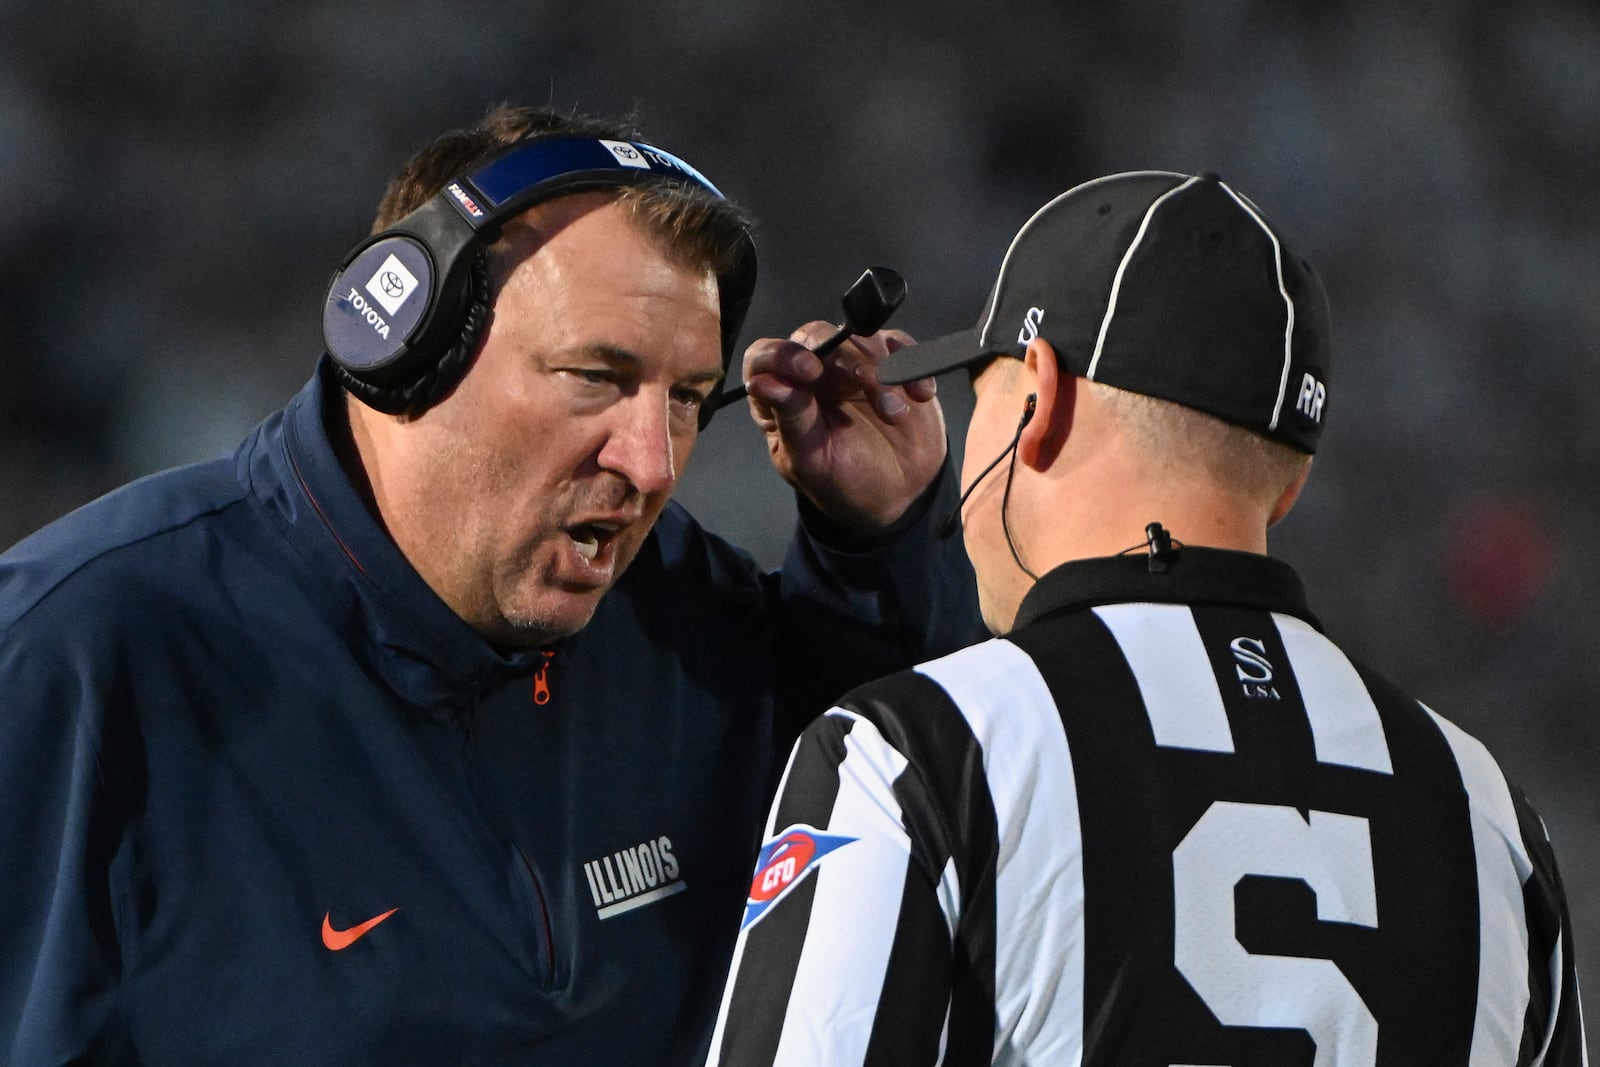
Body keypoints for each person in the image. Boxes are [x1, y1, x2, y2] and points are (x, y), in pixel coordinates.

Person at [0, 105, 984, 1064]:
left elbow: (913, 842)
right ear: (402, 348)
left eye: (685, 398)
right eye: (597, 376)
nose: (651, 462)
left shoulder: (683, 609)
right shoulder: (79, 657)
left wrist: (878, 541)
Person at [705, 171, 1587, 1065]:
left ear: (1040, 398)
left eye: (983, 394)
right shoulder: (1493, 818)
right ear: (1293, 482)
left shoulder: (911, 755)